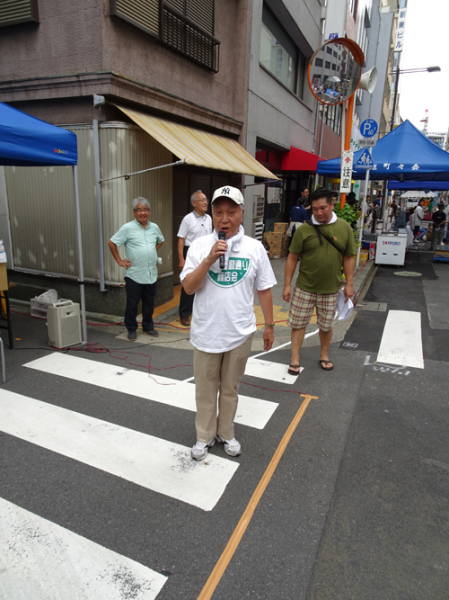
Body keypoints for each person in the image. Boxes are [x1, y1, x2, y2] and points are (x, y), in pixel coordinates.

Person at [181, 186, 276, 461]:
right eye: (219, 212)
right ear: (211, 213)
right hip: (206, 333)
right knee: (206, 389)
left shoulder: (254, 248)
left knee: (230, 388)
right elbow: (188, 288)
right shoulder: (199, 246)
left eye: (231, 212)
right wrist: (210, 258)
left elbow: (265, 289)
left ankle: (226, 432)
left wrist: (269, 325)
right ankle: (204, 436)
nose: (225, 218)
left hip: (240, 333)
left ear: (242, 213)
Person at [282, 188, 356, 374]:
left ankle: (324, 354)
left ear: (332, 205)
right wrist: (287, 285)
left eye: (323, 208)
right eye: (314, 209)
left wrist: (349, 284)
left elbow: (348, 257)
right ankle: (295, 358)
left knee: (326, 325)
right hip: (304, 287)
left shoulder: (344, 227)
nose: (319, 212)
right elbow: (292, 257)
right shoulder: (304, 230)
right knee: (298, 324)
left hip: (331, 288)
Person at [108, 197, 164, 340]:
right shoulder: (127, 228)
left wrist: (151, 251)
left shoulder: (154, 227)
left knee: (149, 303)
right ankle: (131, 328)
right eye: (139, 210)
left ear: (149, 211)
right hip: (134, 274)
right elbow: (112, 243)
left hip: (151, 273)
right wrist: (119, 260)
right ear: (134, 212)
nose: (142, 213)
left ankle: (147, 327)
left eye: (145, 209)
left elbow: (160, 241)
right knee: (132, 304)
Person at [177, 190, 212, 326]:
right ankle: (184, 314)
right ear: (194, 203)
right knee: (189, 283)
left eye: (206, 200)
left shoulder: (209, 218)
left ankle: (202, 311)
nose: (205, 202)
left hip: (206, 254)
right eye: (201, 200)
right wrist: (181, 259)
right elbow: (181, 240)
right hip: (191, 253)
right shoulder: (188, 219)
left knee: (205, 282)